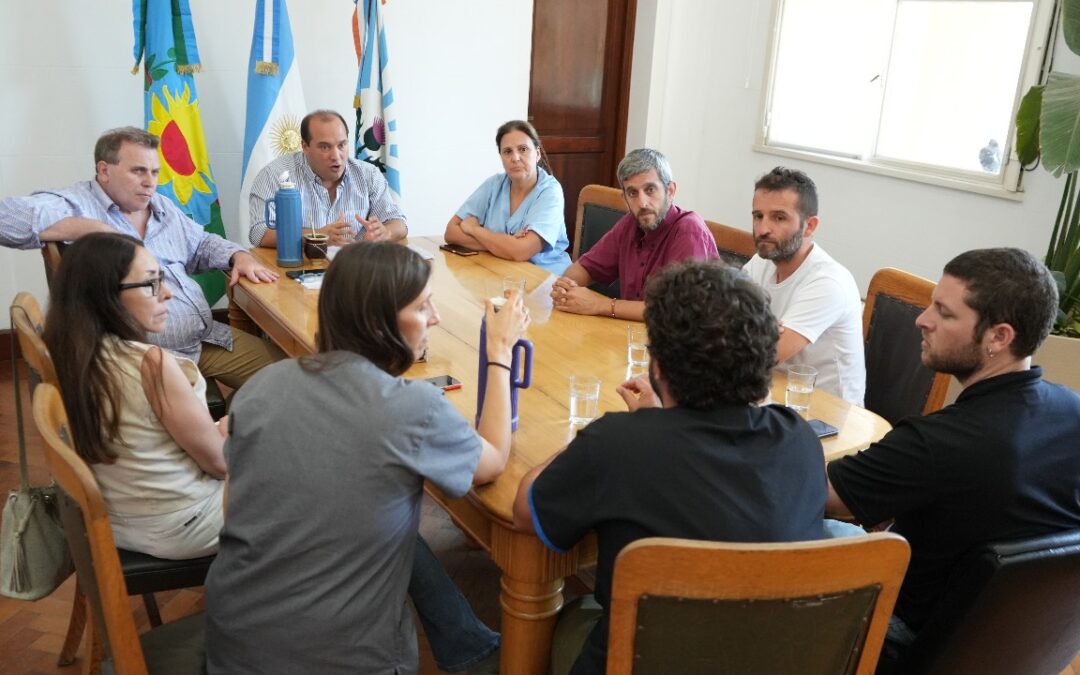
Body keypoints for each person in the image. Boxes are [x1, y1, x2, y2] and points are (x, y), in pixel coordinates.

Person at [206, 242, 530, 674]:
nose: (434, 317)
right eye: (422, 307)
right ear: (378, 323)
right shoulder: (411, 407)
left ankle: (464, 640)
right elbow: (491, 462)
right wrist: (501, 351)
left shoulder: (261, 387)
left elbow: (233, 513)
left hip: (231, 647)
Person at [515, 259, 827, 675]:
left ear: (658, 366)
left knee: (572, 615)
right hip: (769, 658)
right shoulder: (800, 441)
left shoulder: (616, 444)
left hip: (637, 661)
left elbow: (525, 512)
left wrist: (590, 438)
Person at [825, 248, 1080, 661]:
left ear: (999, 336)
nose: (921, 319)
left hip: (905, 640)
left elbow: (818, 493)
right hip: (1012, 648)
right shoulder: (1073, 412)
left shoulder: (939, 442)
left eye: (944, 313)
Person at [0, 126, 281, 389]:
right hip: (140, 361)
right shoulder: (75, 204)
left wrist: (238, 255)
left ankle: (243, 422)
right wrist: (92, 228)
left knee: (291, 376)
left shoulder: (160, 205)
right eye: (138, 171)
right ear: (104, 170)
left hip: (204, 340)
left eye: (155, 172)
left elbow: (202, 244)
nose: (150, 183)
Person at [42, 233, 226, 559]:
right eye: (151, 284)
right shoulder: (150, 365)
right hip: (187, 523)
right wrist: (229, 434)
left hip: (122, 522)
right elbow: (221, 464)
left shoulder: (72, 354)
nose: (167, 294)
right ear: (105, 297)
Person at [742, 167, 865, 405]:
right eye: (758, 216)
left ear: (810, 226)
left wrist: (754, 334)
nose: (763, 228)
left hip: (826, 420)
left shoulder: (829, 282)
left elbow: (766, 354)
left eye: (779, 217)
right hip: (769, 398)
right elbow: (718, 324)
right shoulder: (761, 262)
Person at [550, 148, 718, 321]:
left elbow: (675, 311)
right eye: (633, 193)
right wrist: (565, 287)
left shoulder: (689, 230)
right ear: (624, 198)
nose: (642, 203)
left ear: (670, 191)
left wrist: (599, 305)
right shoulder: (629, 224)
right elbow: (586, 268)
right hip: (632, 335)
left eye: (650, 189)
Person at [248, 109, 407, 248]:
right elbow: (259, 233)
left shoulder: (368, 175)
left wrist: (384, 233)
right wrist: (316, 236)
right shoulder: (275, 175)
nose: (336, 156)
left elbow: (399, 223)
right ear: (304, 146)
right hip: (296, 269)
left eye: (342, 145)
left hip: (354, 269)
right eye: (325, 147)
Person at [444, 119, 571, 274]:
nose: (515, 158)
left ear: (537, 154)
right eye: (507, 151)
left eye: (523, 149)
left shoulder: (550, 192)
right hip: (502, 270)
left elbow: (521, 251)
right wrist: (504, 246)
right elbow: (451, 232)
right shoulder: (494, 184)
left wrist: (474, 229)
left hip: (546, 279)